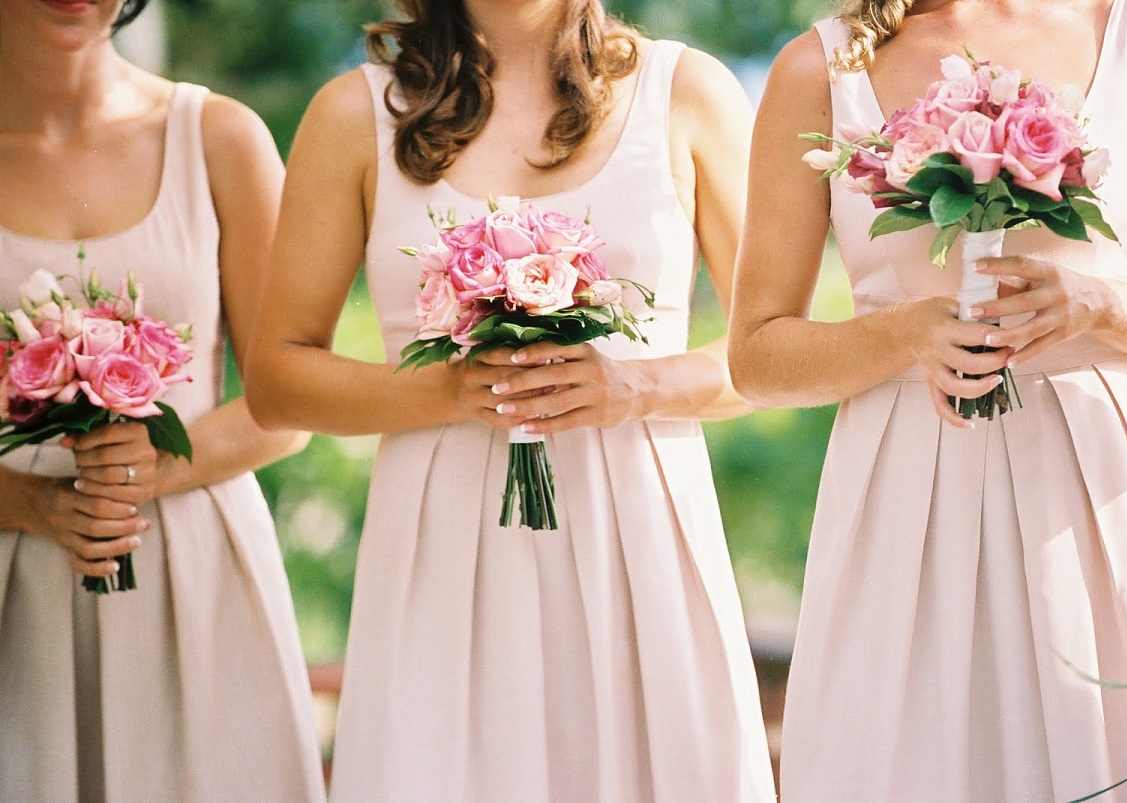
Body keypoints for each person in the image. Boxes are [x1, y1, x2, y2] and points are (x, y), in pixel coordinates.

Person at [243, 0, 775, 799]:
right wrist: (446, 391)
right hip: (445, 552)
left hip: (638, 546)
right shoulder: (352, 115)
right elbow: (277, 377)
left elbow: (771, 355)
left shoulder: (688, 92)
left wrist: (632, 386)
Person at [728, 0, 1127, 800]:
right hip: (902, 508)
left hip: (1089, 500)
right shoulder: (818, 68)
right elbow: (757, 356)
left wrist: (1102, 306)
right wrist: (906, 333)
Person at [0, 1, 324, 799]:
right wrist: (35, 506)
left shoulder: (220, 139)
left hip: (196, 579)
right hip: (14, 589)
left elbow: (293, 401)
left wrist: (156, 466)